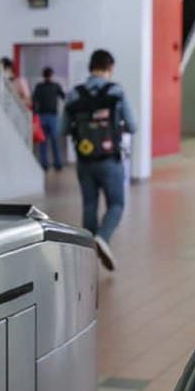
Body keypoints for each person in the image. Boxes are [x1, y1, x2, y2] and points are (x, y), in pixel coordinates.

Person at [63, 49, 135, 270]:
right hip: (110, 159)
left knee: (90, 205)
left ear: (90, 67)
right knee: (116, 203)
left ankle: (87, 255)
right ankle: (103, 237)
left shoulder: (75, 94)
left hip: (84, 160)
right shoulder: (116, 92)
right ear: (110, 68)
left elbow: (62, 128)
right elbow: (133, 126)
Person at [31, 67, 65, 170]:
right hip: (52, 116)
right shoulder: (55, 86)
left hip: (43, 116)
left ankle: (45, 164)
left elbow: (34, 100)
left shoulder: (39, 86)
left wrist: (35, 114)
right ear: (51, 75)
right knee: (54, 141)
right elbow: (63, 96)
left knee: (44, 142)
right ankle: (57, 164)